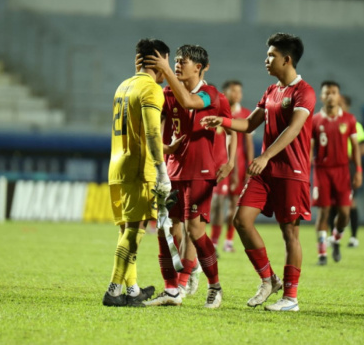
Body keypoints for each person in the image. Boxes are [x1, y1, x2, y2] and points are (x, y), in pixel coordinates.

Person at [201, 32, 315, 311]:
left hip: (291, 170)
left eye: (271, 55)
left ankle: (291, 298)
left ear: (287, 59)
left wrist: (264, 155)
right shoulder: (271, 91)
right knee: (241, 220)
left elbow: (294, 128)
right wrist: (224, 120)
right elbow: (250, 124)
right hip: (265, 172)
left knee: (290, 234)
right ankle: (268, 279)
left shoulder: (304, 92)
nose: (266, 59)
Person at [142, 44, 236, 308]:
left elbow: (229, 128)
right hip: (172, 172)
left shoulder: (211, 95)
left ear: (199, 67)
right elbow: (154, 129)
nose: (177, 65)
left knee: (195, 230)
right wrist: (165, 148)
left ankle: (214, 287)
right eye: (176, 61)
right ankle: (172, 289)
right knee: (166, 230)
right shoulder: (167, 93)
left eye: (183, 61)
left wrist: (230, 162)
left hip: (200, 173)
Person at [103, 38, 172, 307]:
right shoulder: (152, 90)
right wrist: (161, 169)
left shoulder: (123, 86)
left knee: (126, 231)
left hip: (117, 166)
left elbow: (137, 132)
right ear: (159, 61)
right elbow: (153, 132)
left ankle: (132, 291)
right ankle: (113, 290)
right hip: (138, 170)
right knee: (135, 231)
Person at [310, 81, 363, 266]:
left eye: (334, 92)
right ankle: (322, 254)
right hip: (322, 171)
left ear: (339, 96)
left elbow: (356, 146)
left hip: (342, 171)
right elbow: (310, 148)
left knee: (344, 214)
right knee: (323, 212)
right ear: (322, 96)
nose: (331, 95)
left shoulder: (349, 119)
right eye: (327, 93)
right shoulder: (315, 120)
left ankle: (336, 239)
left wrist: (358, 170)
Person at [210, 80, 254, 254]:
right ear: (225, 92)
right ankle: (213, 242)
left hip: (239, 166)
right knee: (217, 205)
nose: (237, 94)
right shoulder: (217, 113)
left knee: (234, 206)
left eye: (239, 91)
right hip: (219, 165)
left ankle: (228, 241)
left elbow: (248, 144)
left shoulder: (245, 114)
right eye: (233, 91)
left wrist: (249, 166)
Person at [326, 95, 364, 248]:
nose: (338, 106)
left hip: (347, 167)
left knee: (350, 203)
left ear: (347, 106)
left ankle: (354, 237)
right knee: (330, 203)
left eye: (341, 104)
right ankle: (333, 236)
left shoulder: (354, 125)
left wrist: (348, 156)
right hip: (330, 167)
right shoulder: (329, 123)